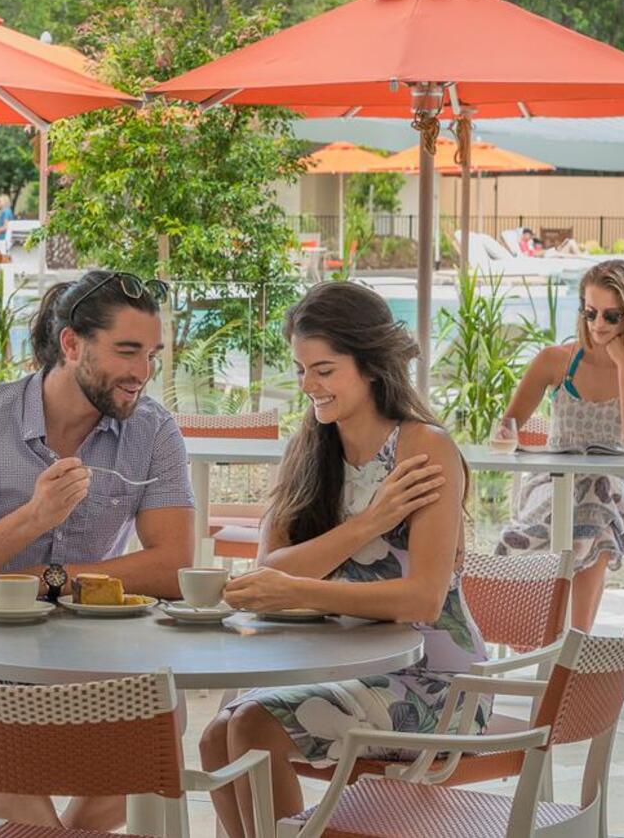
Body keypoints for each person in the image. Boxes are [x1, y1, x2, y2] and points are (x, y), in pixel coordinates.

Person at [198, 281, 487, 838]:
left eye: (324, 370)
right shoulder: (312, 447)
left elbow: (423, 599)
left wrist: (304, 591)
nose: (308, 386)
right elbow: (270, 567)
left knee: (255, 724)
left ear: (371, 366)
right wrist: (367, 525)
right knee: (216, 736)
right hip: (347, 668)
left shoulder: (422, 448)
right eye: (302, 369)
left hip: (434, 679)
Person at [0, 269, 195, 831]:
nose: (142, 372)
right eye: (127, 351)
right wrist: (33, 518)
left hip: (96, 653)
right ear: (71, 344)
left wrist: (54, 576)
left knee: (165, 715)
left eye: (152, 353)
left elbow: (174, 567)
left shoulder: (154, 432)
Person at [496, 259, 624, 631]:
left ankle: (573, 636)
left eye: (611, 316)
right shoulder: (555, 360)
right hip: (555, 485)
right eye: (590, 313)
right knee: (587, 505)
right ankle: (566, 639)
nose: (598, 325)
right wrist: (505, 436)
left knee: (595, 501)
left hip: (622, 491)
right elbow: (507, 426)